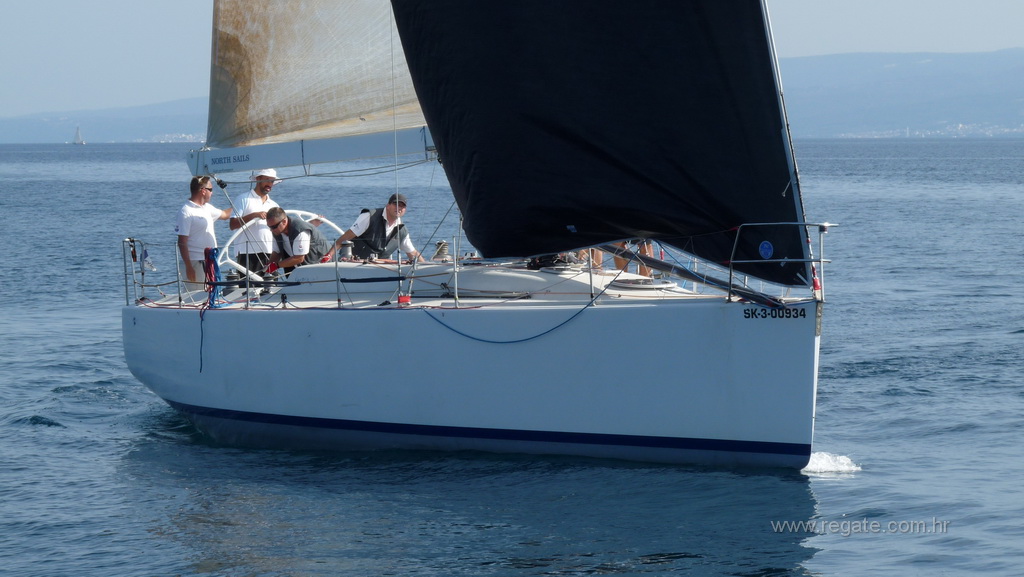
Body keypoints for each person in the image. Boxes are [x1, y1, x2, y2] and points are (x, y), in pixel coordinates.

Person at [325, 193, 424, 263]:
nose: (399, 208)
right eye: (396, 204)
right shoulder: (369, 216)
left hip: (380, 271)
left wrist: (426, 267)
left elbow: (412, 253)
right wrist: (328, 256)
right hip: (355, 266)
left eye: (402, 206)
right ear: (388, 205)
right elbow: (344, 239)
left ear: (405, 210)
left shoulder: (402, 230)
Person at [175, 175, 231, 286]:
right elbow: (182, 242)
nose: (212, 193)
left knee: (212, 292)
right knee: (198, 294)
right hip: (195, 263)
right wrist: (189, 267)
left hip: (210, 261)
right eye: (211, 190)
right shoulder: (186, 212)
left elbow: (225, 215)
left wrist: (240, 204)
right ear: (203, 191)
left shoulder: (207, 208)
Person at [229, 168, 280, 274]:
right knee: (247, 284)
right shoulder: (243, 199)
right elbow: (233, 225)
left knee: (271, 284)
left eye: (272, 181)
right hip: (247, 253)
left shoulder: (274, 205)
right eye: (267, 180)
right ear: (258, 179)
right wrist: (253, 215)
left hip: (270, 254)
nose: (270, 184)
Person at [265, 207, 331, 272]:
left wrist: (276, 266)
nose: (271, 230)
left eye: (274, 227)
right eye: (269, 227)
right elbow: (277, 252)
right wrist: (268, 266)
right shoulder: (277, 231)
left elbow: (299, 258)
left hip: (324, 267)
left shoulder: (300, 231)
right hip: (303, 269)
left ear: (284, 221)